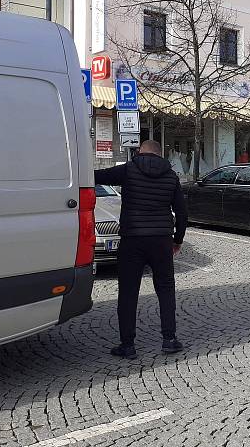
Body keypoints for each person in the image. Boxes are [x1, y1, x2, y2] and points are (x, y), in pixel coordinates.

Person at [95, 140, 188, 359]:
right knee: (165, 289)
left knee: (128, 292)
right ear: (160, 153)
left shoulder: (129, 169)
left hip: (132, 239)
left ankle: (127, 345)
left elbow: (98, 177)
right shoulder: (171, 176)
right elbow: (182, 213)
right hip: (161, 240)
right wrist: (178, 239)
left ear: (140, 151)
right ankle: (169, 340)